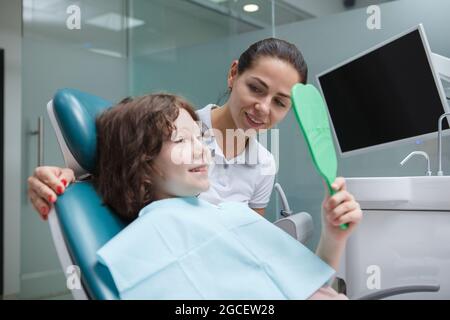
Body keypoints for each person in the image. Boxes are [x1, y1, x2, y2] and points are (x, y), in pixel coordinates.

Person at [27, 37, 362, 272]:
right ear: (234, 75)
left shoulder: (263, 163)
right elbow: (119, 165)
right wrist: (67, 176)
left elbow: (253, 235)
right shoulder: (174, 123)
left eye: (279, 102)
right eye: (256, 88)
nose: (263, 108)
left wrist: (330, 237)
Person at [94, 92, 348, 299]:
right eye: (181, 140)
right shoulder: (154, 236)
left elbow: (310, 285)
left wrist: (333, 234)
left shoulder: (229, 213)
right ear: (142, 165)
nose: (202, 151)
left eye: (201, 137)